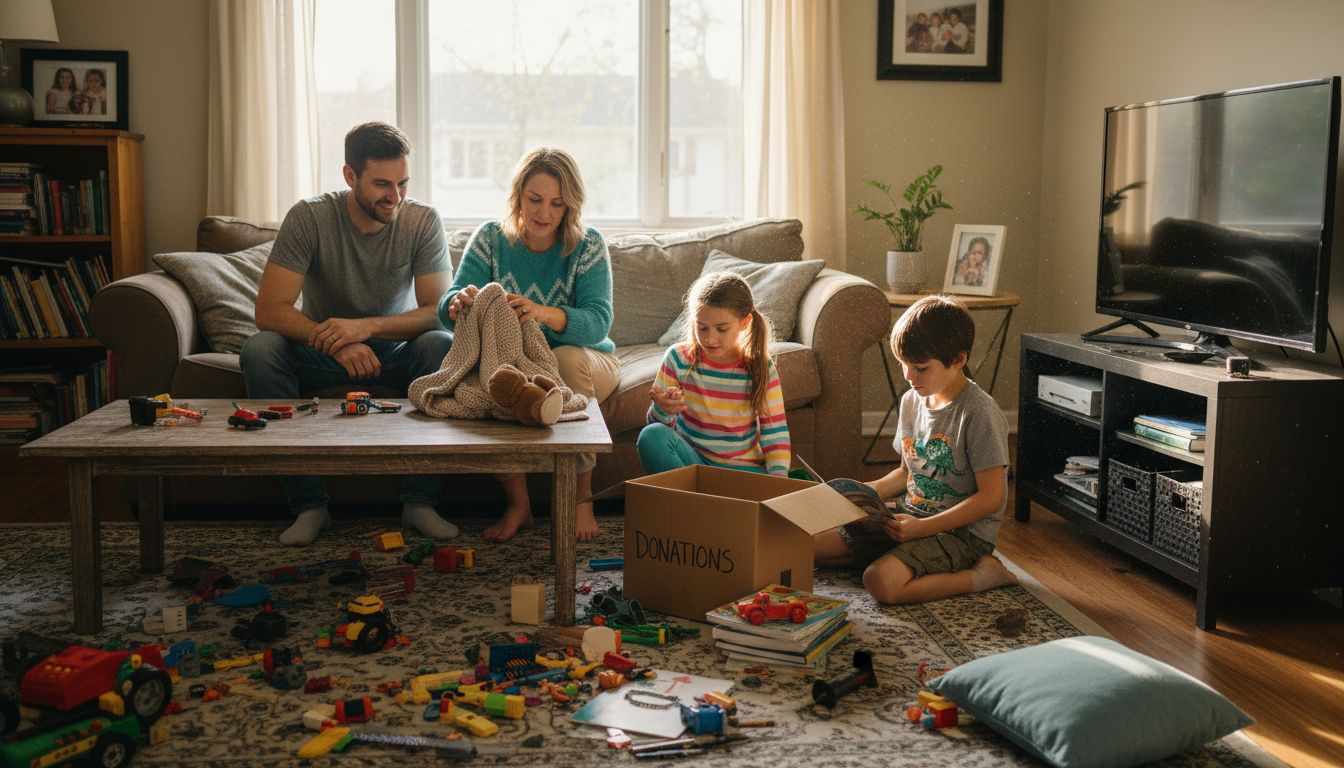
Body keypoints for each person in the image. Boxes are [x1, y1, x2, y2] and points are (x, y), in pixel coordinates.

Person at [241, 121, 458, 547]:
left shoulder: (422, 220)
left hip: (394, 350)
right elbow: (269, 310)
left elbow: (438, 312)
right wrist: (338, 341)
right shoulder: (310, 217)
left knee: (441, 346)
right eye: (381, 184)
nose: (394, 196)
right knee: (260, 350)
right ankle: (309, 507)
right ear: (349, 176)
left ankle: (420, 503)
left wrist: (364, 328)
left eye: (402, 183)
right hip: (321, 350)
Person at [441, 147, 618, 543]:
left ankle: (581, 497)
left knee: (567, 361)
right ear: (518, 194)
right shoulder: (489, 238)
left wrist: (542, 312)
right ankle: (518, 502)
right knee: (493, 376)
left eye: (558, 203)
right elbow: (447, 305)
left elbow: (598, 321)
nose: (544, 213)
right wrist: (457, 305)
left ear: (571, 206)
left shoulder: (587, 245)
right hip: (518, 364)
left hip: (588, 360)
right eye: (535, 199)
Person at [813, 295, 1015, 604]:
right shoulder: (912, 399)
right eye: (903, 365)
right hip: (909, 519)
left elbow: (992, 498)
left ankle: (982, 575)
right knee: (810, 545)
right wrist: (863, 493)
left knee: (879, 581)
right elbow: (906, 473)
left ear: (959, 360)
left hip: (960, 534)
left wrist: (923, 529)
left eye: (920, 368)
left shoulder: (979, 414)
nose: (908, 377)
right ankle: (901, 557)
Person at [636, 272, 791, 478]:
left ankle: (701, 504)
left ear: (744, 323)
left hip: (741, 471)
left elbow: (775, 434)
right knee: (651, 436)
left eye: (722, 329)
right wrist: (663, 410)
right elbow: (658, 426)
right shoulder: (678, 358)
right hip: (693, 465)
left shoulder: (759, 366)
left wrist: (778, 480)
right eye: (702, 328)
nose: (710, 339)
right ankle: (698, 501)